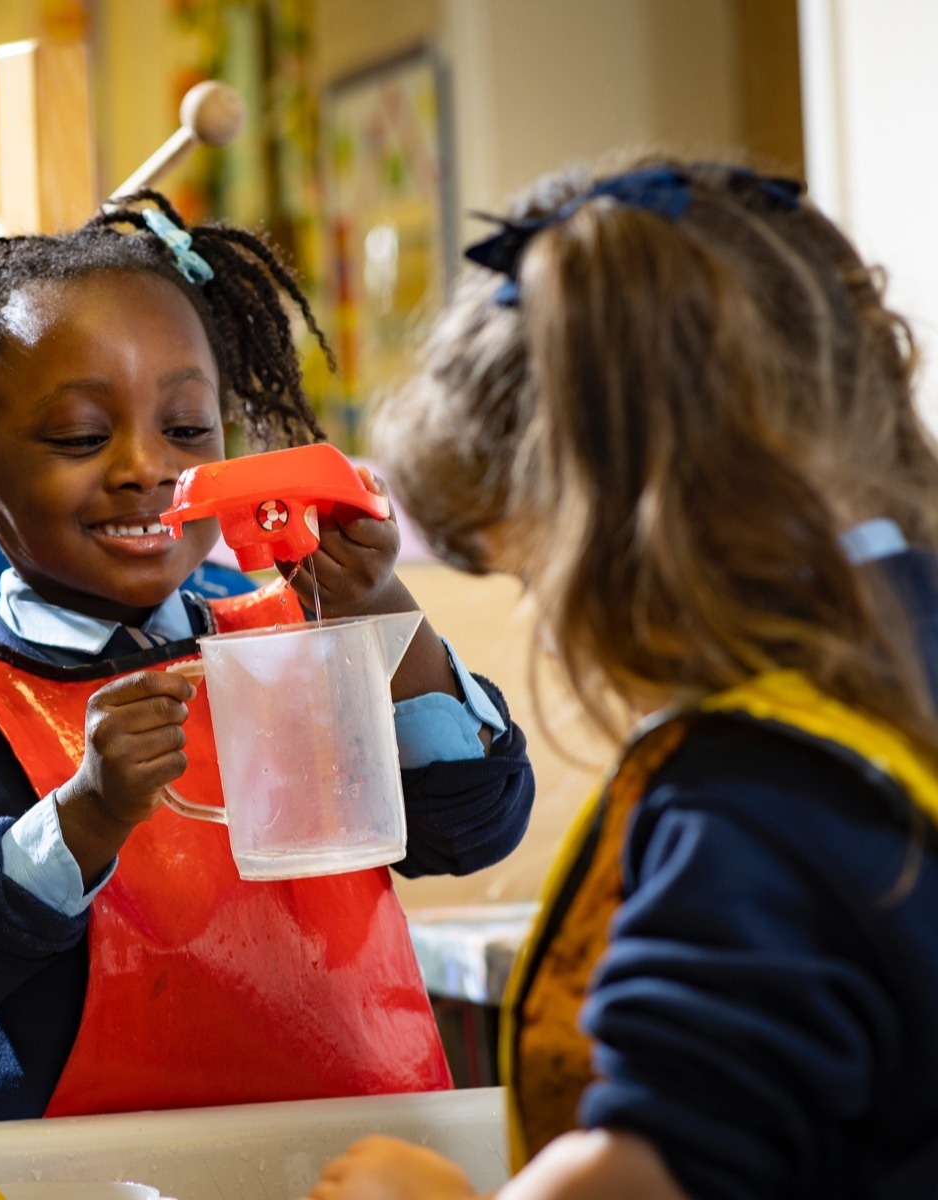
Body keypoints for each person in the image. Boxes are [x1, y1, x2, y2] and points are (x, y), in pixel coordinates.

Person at [0, 194, 535, 1124]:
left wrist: (379, 611)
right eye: (82, 437)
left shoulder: (298, 641)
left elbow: (470, 830)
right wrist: (83, 818)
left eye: (188, 429)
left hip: (359, 1160)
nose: (145, 467)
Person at [305, 159, 938, 1200]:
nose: (549, 631)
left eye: (534, 577)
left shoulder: (750, 800)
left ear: (626, 526)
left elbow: (663, 1168)